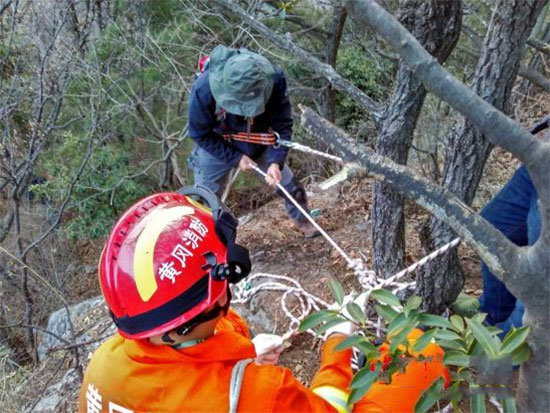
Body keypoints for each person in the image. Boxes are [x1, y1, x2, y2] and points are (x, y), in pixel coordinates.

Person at [79, 187, 449, 412]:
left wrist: (242, 355)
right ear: (214, 297)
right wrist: (337, 341)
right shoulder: (258, 395)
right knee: (424, 362)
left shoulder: (105, 365)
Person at [187, 44, 320, 238]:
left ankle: (304, 222)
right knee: (205, 203)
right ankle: (216, 245)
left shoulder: (274, 80)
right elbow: (199, 133)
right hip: (216, 144)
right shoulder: (204, 89)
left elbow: (282, 124)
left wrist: (276, 161)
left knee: (291, 188)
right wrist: (235, 158)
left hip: (260, 141)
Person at [478, 117, 547, 334]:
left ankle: (514, 345)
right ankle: (493, 320)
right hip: (541, 159)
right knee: (492, 230)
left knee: (540, 265)